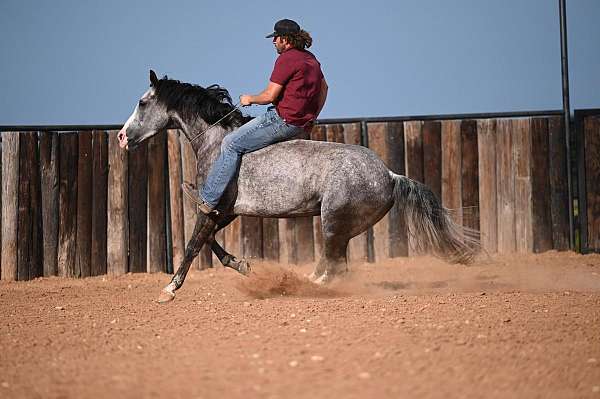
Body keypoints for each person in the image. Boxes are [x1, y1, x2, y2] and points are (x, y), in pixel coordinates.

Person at [194, 18, 328, 214]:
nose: (273, 42)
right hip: (301, 126)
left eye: (276, 38)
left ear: (285, 39)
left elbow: (270, 96)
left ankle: (209, 199)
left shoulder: (287, 59)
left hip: (281, 121)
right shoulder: (311, 60)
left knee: (230, 143)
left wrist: (250, 99)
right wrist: (312, 116)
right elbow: (324, 89)